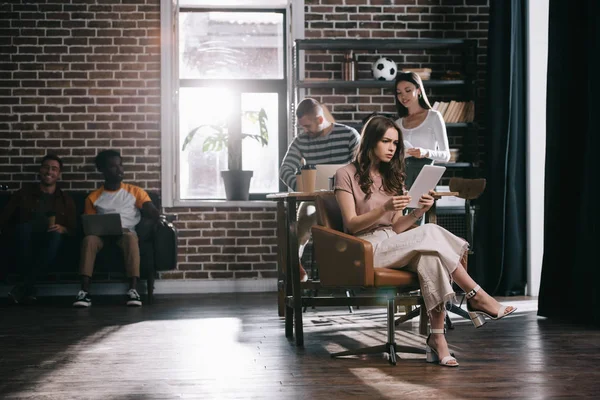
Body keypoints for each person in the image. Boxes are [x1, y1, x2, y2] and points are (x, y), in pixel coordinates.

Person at [333, 116, 515, 367]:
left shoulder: (393, 176)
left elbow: (397, 226)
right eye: (386, 141)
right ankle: (476, 294)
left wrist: (418, 212)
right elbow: (351, 224)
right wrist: (383, 208)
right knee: (430, 231)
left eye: (395, 143)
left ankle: (437, 340)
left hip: (394, 241)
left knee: (432, 257)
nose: (392, 148)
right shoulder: (345, 174)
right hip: (365, 247)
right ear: (370, 142)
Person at [280, 98, 360, 281]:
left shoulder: (349, 135)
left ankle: (351, 269)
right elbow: (284, 170)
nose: (304, 130)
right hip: (315, 199)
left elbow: (360, 168)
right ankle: (295, 264)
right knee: (303, 217)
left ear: (319, 118)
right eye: (302, 127)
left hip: (347, 198)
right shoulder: (301, 141)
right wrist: (305, 188)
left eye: (307, 126)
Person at [73, 150, 159, 308]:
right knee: (89, 240)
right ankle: (84, 292)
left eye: (120, 165)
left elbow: (152, 211)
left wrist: (156, 215)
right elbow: (89, 223)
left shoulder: (135, 192)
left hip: (125, 233)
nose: (119, 170)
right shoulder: (93, 197)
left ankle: (133, 289)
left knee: (131, 237)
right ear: (102, 170)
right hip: (100, 235)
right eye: (113, 167)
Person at [0, 154, 76, 304]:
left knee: (55, 235)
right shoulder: (24, 193)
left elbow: (74, 229)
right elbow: (5, 216)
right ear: (40, 170)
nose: (49, 172)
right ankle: (29, 287)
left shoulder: (65, 199)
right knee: (24, 229)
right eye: (46, 168)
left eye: (54, 169)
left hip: (50, 239)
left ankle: (24, 286)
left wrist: (63, 229)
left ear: (58, 174)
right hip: (24, 237)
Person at [394, 71, 450, 189]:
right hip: (401, 179)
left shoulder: (434, 117)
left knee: (423, 207)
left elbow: (446, 155)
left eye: (408, 90)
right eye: (399, 93)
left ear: (418, 90)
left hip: (425, 179)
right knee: (402, 207)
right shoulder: (398, 123)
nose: (403, 96)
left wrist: (425, 152)